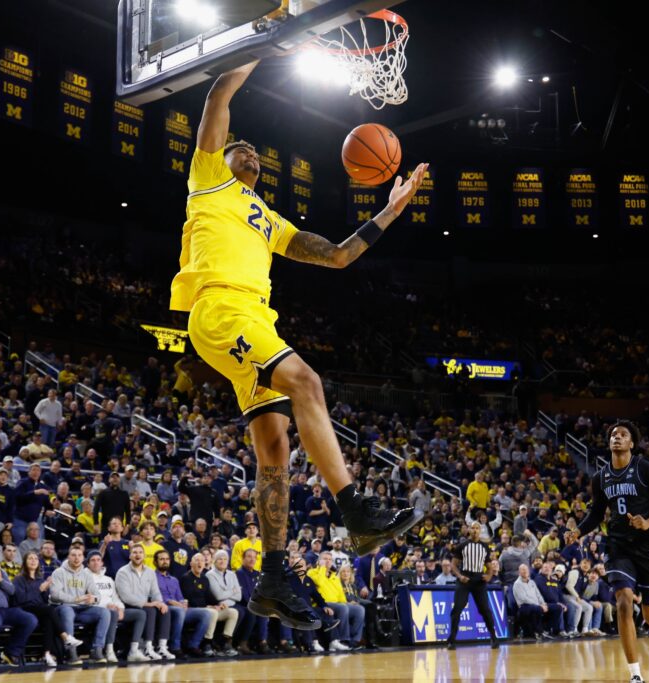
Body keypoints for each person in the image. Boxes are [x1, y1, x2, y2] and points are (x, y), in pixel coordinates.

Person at [170, 60, 427, 630]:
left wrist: (392, 207)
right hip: (219, 309)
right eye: (244, 149)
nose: (253, 155)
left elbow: (336, 255)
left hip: (254, 321)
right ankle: (355, 508)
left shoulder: (268, 218)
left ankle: (274, 576)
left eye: (258, 154)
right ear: (221, 154)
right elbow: (219, 94)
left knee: (274, 451)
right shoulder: (207, 178)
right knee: (307, 381)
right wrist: (272, 36)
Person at [576, 420, 649, 683]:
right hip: (618, 545)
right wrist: (577, 531)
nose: (616, 438)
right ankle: (635, 673)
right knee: (622, 601)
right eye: (613, 434)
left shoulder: (646, 469)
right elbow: (596, 513)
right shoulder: (600, 477)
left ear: (632, 443)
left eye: (623, 435)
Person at [13, 551, 80, 667]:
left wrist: (46, 588)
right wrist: (39, 590)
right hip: (24, 609)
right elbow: (20, 599)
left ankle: (47, 654)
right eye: (30, 558)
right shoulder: (18, 579)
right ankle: (65, 637)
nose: (33, 561)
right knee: (49, 610)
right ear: (24, 562)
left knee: (49, 619)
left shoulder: (40, 579)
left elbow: (44, 600)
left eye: (35, 559)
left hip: (40, 609)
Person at [49, 545, 111, 664]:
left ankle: (97, 650)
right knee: (67, 611)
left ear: (83, 558)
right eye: (73, 555)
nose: (76, 558)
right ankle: (70, 652)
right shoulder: (59, 572)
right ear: (68, 557)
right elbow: (55, 595)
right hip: (62, 607)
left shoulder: (86, 574)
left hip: (82, 610)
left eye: (79, 555)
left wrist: (93, 599)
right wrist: (75, 599)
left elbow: (97, 595)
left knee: (104, 612)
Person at [115, 543, 174, 661]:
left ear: (144, 556)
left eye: (140, 553)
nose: (138, 555)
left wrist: (160, 602)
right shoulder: (123, 572)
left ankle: (162, 648)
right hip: (128, 606)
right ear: (130, 556)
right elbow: (126, 597)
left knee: (165, 609)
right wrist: (148, 604)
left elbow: (155, 592)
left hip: (145, 605)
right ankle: (148, 648)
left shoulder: (150, 572)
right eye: (135, 552)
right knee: (151, 610)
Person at [446, 521, 500, 650]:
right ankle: (452, 640)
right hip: (464, 578)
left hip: (479, 580)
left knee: (485, 610)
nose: (475, 530)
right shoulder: (462, 546)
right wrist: (459, 576)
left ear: (480, 530)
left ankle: (493, 638)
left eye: (478, 528)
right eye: (473, 528)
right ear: (469, 530)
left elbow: (489, 566)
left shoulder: (485, 547)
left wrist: (489, 576)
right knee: (457, 609)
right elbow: (453, 565)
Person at [155, 549, 216, 658]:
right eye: (161, 559)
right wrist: (172, 602)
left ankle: (193, 645)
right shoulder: (152, 577)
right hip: (163, 608)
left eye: (167, 559)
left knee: (206, 613)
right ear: (155, 562)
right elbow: (155, 595)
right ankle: (175, 647)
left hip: (179, 608)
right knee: (179, 611)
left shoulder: (174, 580)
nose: (165, 561)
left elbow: (180, 597)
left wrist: (183, 602)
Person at [88, 549, 143, 664]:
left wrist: (121, 608)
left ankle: (134, 650)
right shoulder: (85, 578)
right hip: (97, 611)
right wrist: (106, 606)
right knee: (111, 613)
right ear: (88, 564)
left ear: (102, 563)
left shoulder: (108, 579)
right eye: (92, 560)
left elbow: (116, 597)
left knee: (140, 614)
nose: (96, 562)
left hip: (114, 608)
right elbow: (87, 599)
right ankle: (109, 649)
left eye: (98, 560)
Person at [307, 551, 363, 651]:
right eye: (325, 559)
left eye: (329, 559)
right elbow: (319, 582)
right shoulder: (312, 573)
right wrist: (322, 568)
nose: (328, 561)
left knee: (359, 609)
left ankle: (354, 641)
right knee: (343, 607)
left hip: (337, 604)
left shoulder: (334, 576)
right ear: (319, 561)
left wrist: (347, 602)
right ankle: (343, 640)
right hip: (322, 604)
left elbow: (340, 594)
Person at [206, 550, 241, 656]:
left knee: (234, 612)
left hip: (225, 606)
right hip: (214, 607)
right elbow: (218, 596)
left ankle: (226, 643)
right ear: (215, 561)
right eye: (220, 559)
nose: (223, 561)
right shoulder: (210, 575)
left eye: (225, 559)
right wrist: (232, 591)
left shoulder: (232, 574)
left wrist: (226, 602)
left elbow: (239, 596)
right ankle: (208, 644)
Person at [513, 563, 558, 640]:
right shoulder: (517, 584)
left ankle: (547, 630)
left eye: (526, 569)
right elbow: (524, 599)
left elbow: (539, 595)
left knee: (557, 608)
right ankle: (539, 632)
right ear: (519, 572)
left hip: (536, 605)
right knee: (538, 609)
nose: (525, 571)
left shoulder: (532, 582)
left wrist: (543, 604)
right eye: (523, 570)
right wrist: (539, 606)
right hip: (524, 606)